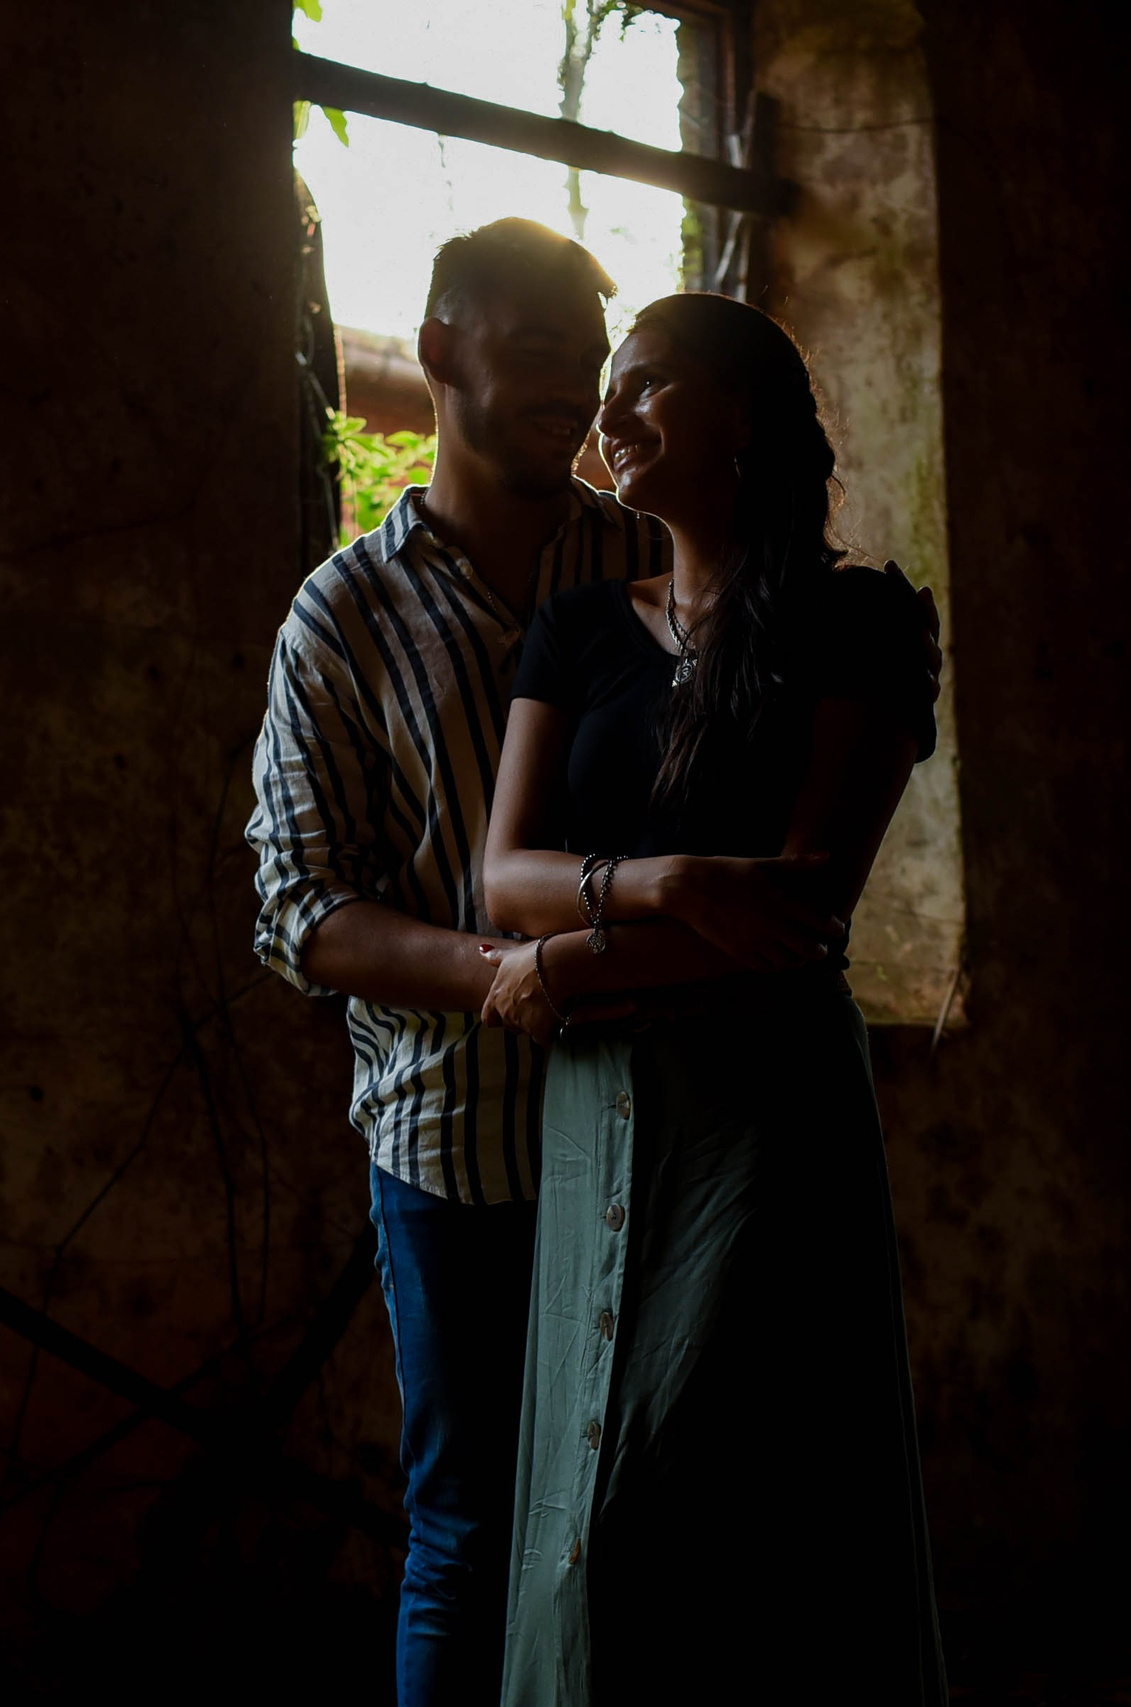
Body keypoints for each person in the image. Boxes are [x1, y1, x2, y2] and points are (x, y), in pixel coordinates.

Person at [477, 292, 947, 1704]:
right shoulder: (573, 635)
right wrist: (666, 886)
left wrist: (566, 958)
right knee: (572, 1523)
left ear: (742, 413)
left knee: (695, 1502)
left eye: (649, 384)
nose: (612, 417)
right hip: (596, 1110)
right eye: (612, 391)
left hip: (763, 1108)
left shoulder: (859, 621)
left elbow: (804, 905)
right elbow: (505, 874)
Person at [246, 219, 672, 1707]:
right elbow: (301, 909)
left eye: (588, 353)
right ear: (438, 351)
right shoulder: (344, 618)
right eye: (536, 342)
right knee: (473, 1532)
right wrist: (498, 970)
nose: (572, 378)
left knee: (649, 1528)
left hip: (653, 1130)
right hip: (456, 1151)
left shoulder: (648, 562)